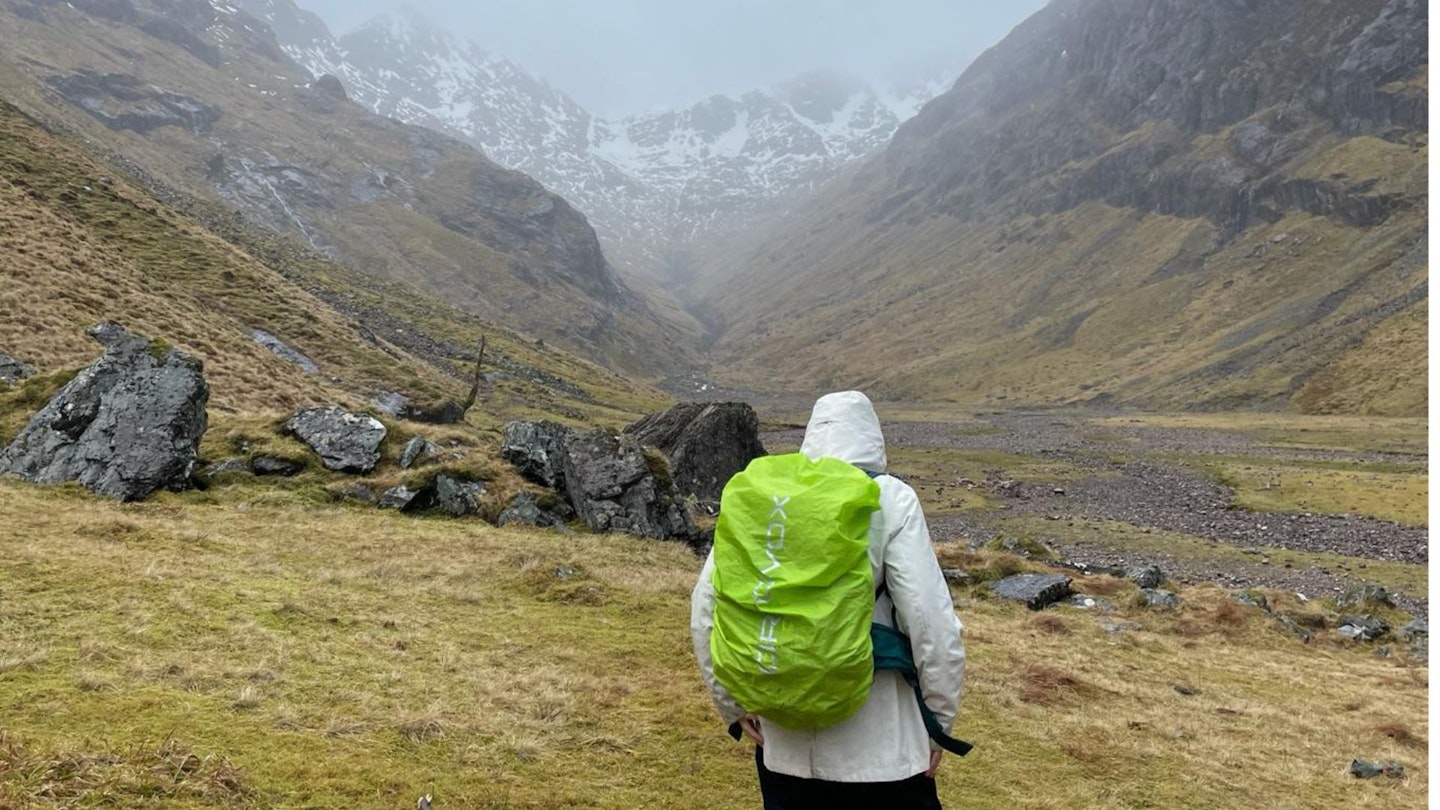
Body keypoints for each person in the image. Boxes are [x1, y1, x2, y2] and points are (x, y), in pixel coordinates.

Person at [690, 390, 966, 809]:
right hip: (883, 751)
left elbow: (706, 607)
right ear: (873, 438)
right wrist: (936, 724)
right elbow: (931, 622)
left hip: (782, 745)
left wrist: (733, 704)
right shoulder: (889, 498)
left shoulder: (766, 499)